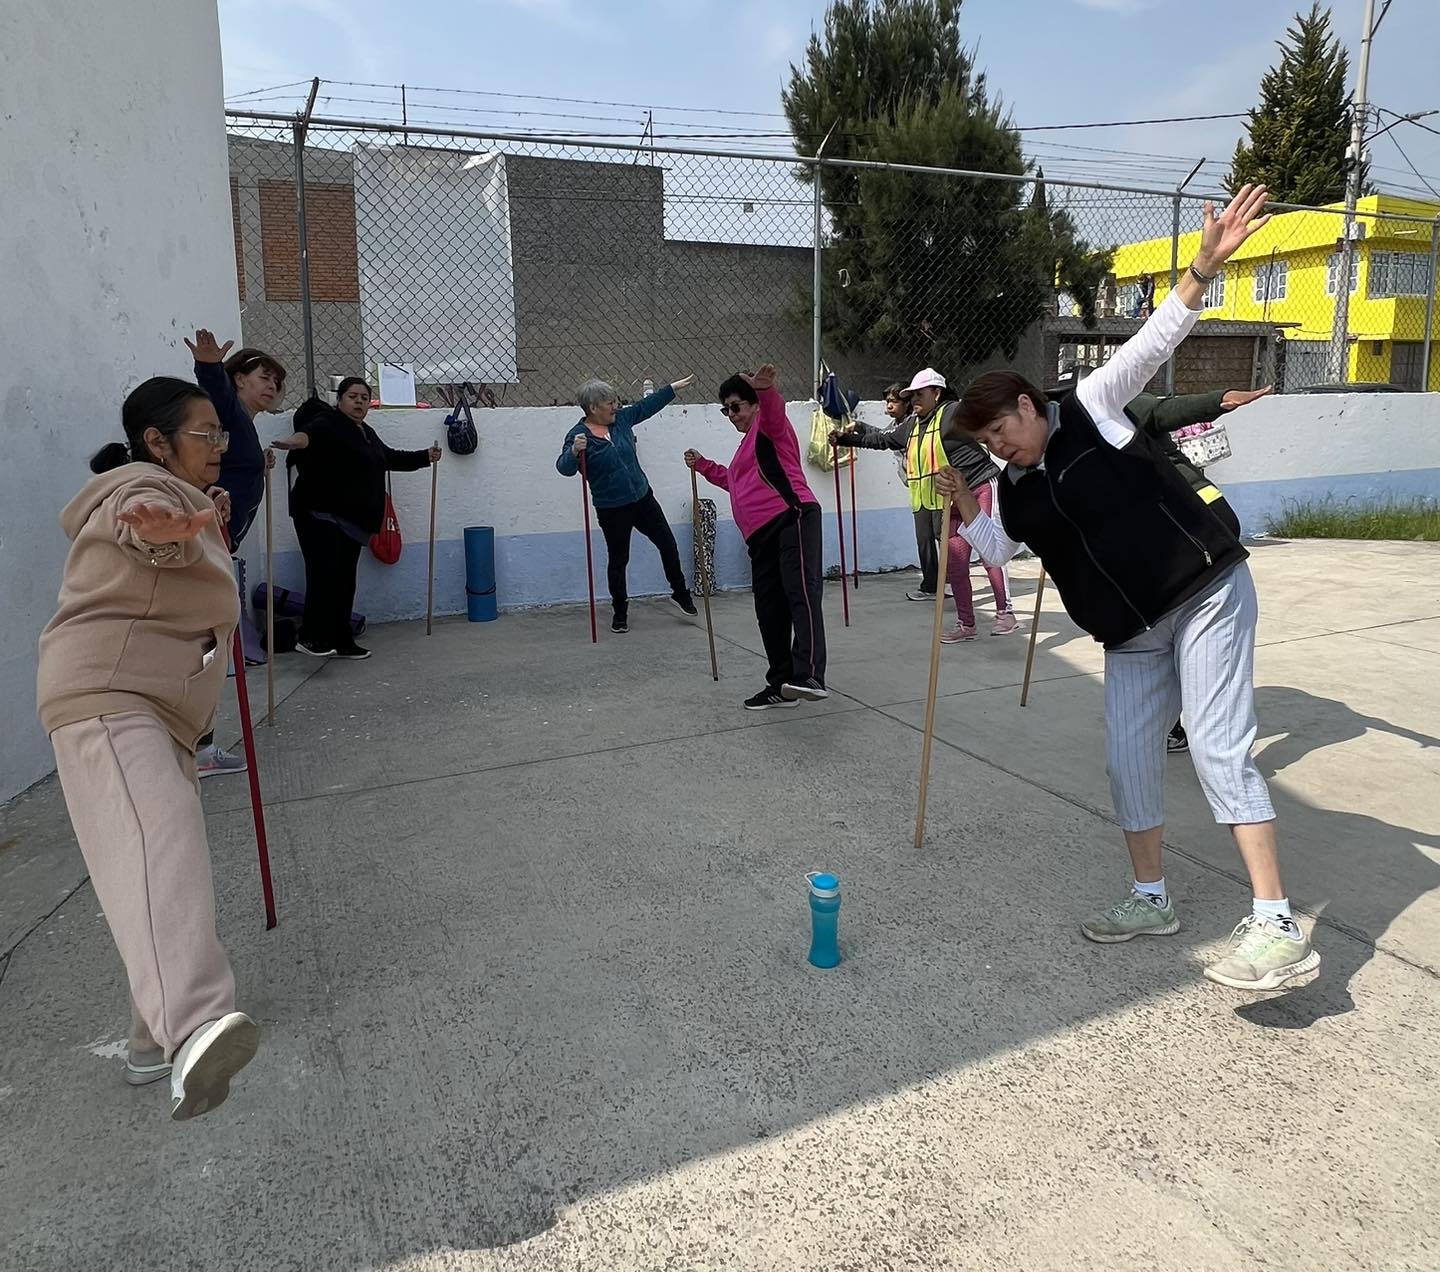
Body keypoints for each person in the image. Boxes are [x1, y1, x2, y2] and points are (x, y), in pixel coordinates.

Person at [938, 184, 1320, 992]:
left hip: (1204, 591)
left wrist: (1204, 266)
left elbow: (1152, 341)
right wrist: (965, 501)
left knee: (1217, 748)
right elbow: (994, 550)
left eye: (1004, 429)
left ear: (1027, 404)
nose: (1002, 447)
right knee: (1126, 762)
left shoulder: (1092, 406)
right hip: (1132, 633)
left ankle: (1277, 922)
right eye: (988, 443)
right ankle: (1151, 898)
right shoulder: (1013, 486)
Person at [36, 377, 260, 1120]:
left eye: (220, 434)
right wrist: (162, 525)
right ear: (158, 443)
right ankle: (194, 1024)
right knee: (162, 839)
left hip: (157, 709)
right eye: (206, 433)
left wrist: (199, 521)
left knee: (150, 865)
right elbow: (138, 526)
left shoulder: (187, 498)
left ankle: (144, 1042)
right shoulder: (137, 488)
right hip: (110, 698)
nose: (218, 447)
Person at [1050, 372, 1273, 752]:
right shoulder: (1076, 429)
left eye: (1068, 395)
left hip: (1194, 513)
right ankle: (1177, 719)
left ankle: (1199, 725)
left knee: (1174, 626)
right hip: (1164, 523)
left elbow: (1165, 411)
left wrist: (1220, 398)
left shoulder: (1118, 404)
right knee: (1162, 629)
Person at [686, 365, 827, 709]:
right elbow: (733, 480)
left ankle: (808, 674)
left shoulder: (769, 427)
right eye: (725, 410)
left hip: (791, 518)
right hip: (759, 537)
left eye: (736, 406)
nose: (731, 415)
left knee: (800, 594)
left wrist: (766, 390)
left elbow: (775, 412)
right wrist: (703, 465)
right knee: (769, 611)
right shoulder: (743, 450)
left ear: (753, 405)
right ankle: (780, 683)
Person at [272, 377, 440, 660]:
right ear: (340, 401)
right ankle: (312, 637)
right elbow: (307, 436)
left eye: (364, 397)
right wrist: (292, 442)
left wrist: (426, 456)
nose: (359, 401)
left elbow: (389, 459)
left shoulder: (366, 433)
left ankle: (342, 639)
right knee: (324, 575)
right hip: (319, 515)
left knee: (345, 580)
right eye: (353, 396)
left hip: (352, 521)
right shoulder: (328, 422)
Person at [184, 330, 287, 779]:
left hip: (221, 546)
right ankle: (198, 748)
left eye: (277, 383)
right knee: (204, 651)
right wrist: (209, 365)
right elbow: (213, 395)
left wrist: (254, 466)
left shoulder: (241, 426)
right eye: (263, 377)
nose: (272, 387)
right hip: (209, 546)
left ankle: (198, 744)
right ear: (239, 379)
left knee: (207, 649)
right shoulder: (224, 409)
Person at [556, 377, 699, 634]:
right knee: (619, 560)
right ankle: (620, 613)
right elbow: (564, 469)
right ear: (593, 408)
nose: (616, 406)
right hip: (612, 509)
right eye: (610, 403)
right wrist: (574, 453)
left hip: (643, 498)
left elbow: (646, 407)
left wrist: (671, 390)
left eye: (615, 401)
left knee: (667, 543)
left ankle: (680, 592)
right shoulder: (578, 436)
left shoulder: (621, 420)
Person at [832, 368, 952, 602]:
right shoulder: (908, 425)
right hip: (918, 490)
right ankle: (931, 585)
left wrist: (857, 429)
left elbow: (885, 438)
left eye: (896, 401)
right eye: (887, 401)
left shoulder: (934, 418)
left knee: (943, 538)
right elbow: (884, 438)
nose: (889, 406)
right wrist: (849, 436)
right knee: (925, 538)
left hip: (939, 490)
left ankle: (952, 581)